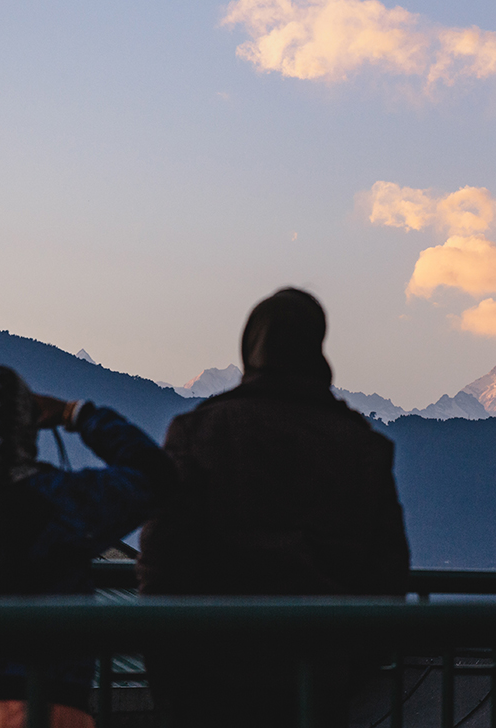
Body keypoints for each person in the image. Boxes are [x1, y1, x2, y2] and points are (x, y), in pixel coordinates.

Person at [138, 287, 410, 727]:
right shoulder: (362, 446)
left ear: (250, 347)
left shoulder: (199, 431)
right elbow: (388, 572)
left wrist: (172, 680)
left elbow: (162, 564)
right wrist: (349, 670)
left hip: (211, 680)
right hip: (318, 682)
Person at [0, 363, 176, 728]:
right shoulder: (67, 502)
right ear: (26, 424)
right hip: (48, 706)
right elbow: (156, 476)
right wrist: (77, 414)